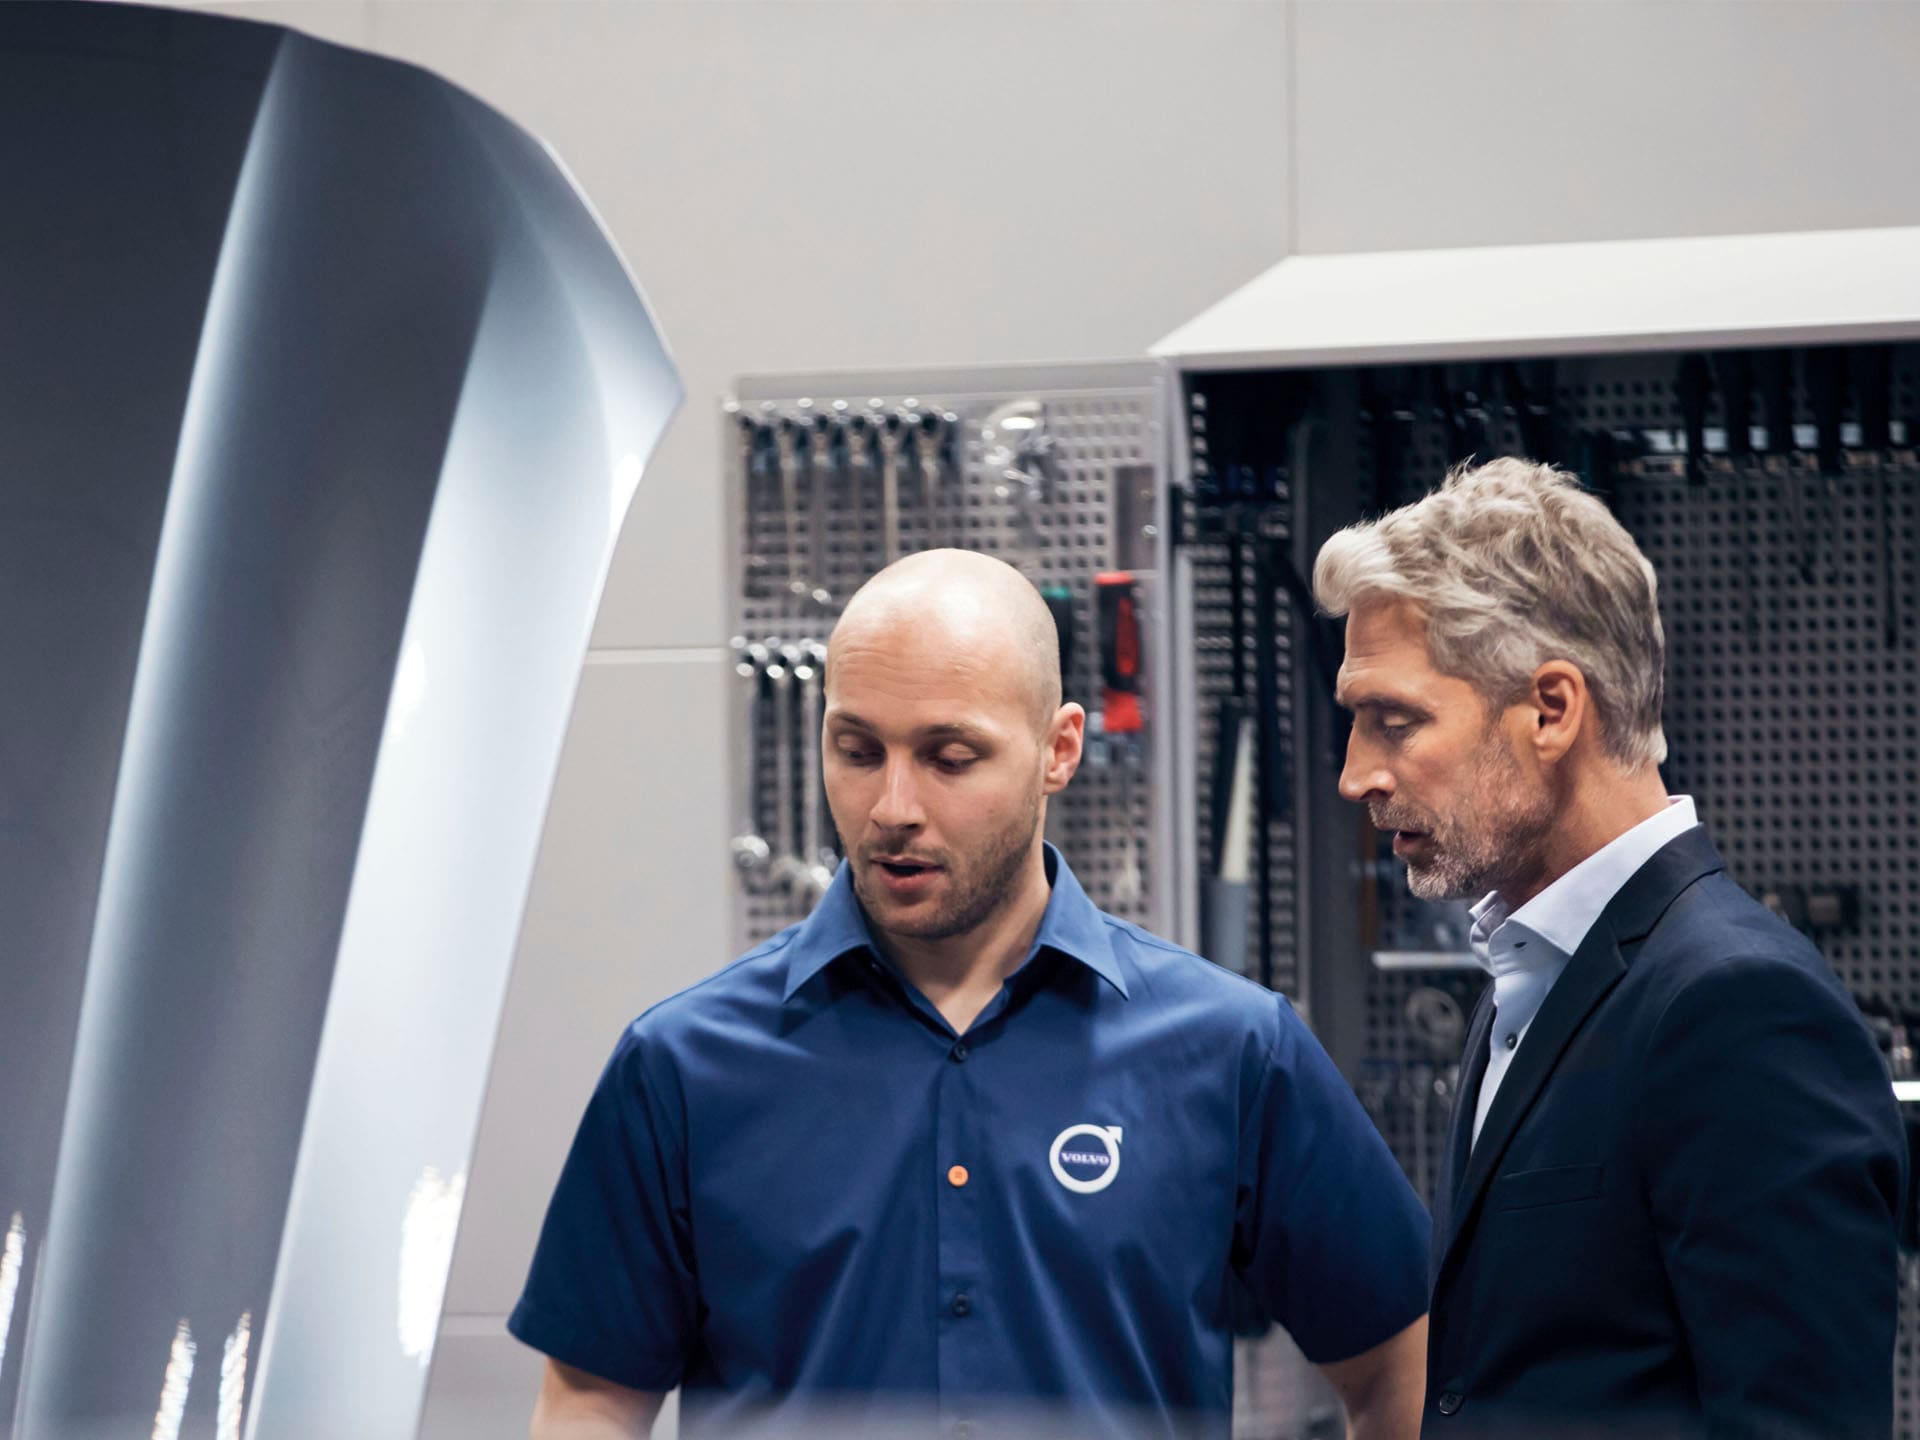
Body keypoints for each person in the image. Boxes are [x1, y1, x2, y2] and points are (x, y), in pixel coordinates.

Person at [511, 549, 1430, 1439]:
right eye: (858, 749)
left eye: (949, 757)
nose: (892, 807)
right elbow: (590, 1404)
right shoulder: (680, 1067)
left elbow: (1396, 1365)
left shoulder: (1232, 1049)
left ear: (1058, 750)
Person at [1312, 457, 1907, 1438]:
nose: (1355, 776)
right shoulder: (1530, 977)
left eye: (1395, 721)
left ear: (1551, 709)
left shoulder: (1736, 1006)